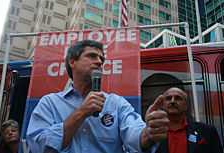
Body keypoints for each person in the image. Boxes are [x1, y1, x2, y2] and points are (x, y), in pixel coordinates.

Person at [26, 40, 169, 153]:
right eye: (92, 56)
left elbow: (134, 134)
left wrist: (149, 133)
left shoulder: (116, 104)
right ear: (72, 62)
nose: (100, 62)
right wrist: (81, 113)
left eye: (102, 58)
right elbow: (38, 146)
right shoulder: (49, 103)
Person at [155, 87, 223, 153]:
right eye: (168, 98)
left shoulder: (207, 131)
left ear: (186, 106)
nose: (172, 101)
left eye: (178, 98)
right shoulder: (153, 132)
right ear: (163, 105)